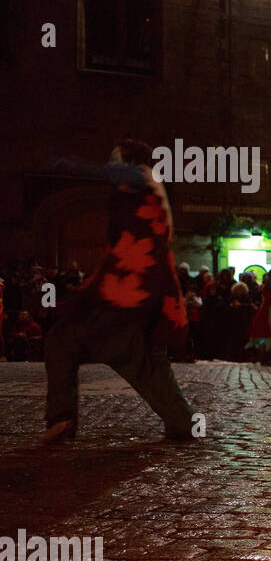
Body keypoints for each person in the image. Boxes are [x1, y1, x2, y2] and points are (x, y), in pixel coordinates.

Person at [42, 139, 194, 443]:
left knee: (65, 340)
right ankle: (182, 422)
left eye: (115, 158)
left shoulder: (143, 177)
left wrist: (72, 165)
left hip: (132, 292)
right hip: (139, 290)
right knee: (140, 360)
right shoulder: (143, 187)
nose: (110, 163)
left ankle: (62, 418)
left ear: (130, 159)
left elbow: (124, 177)